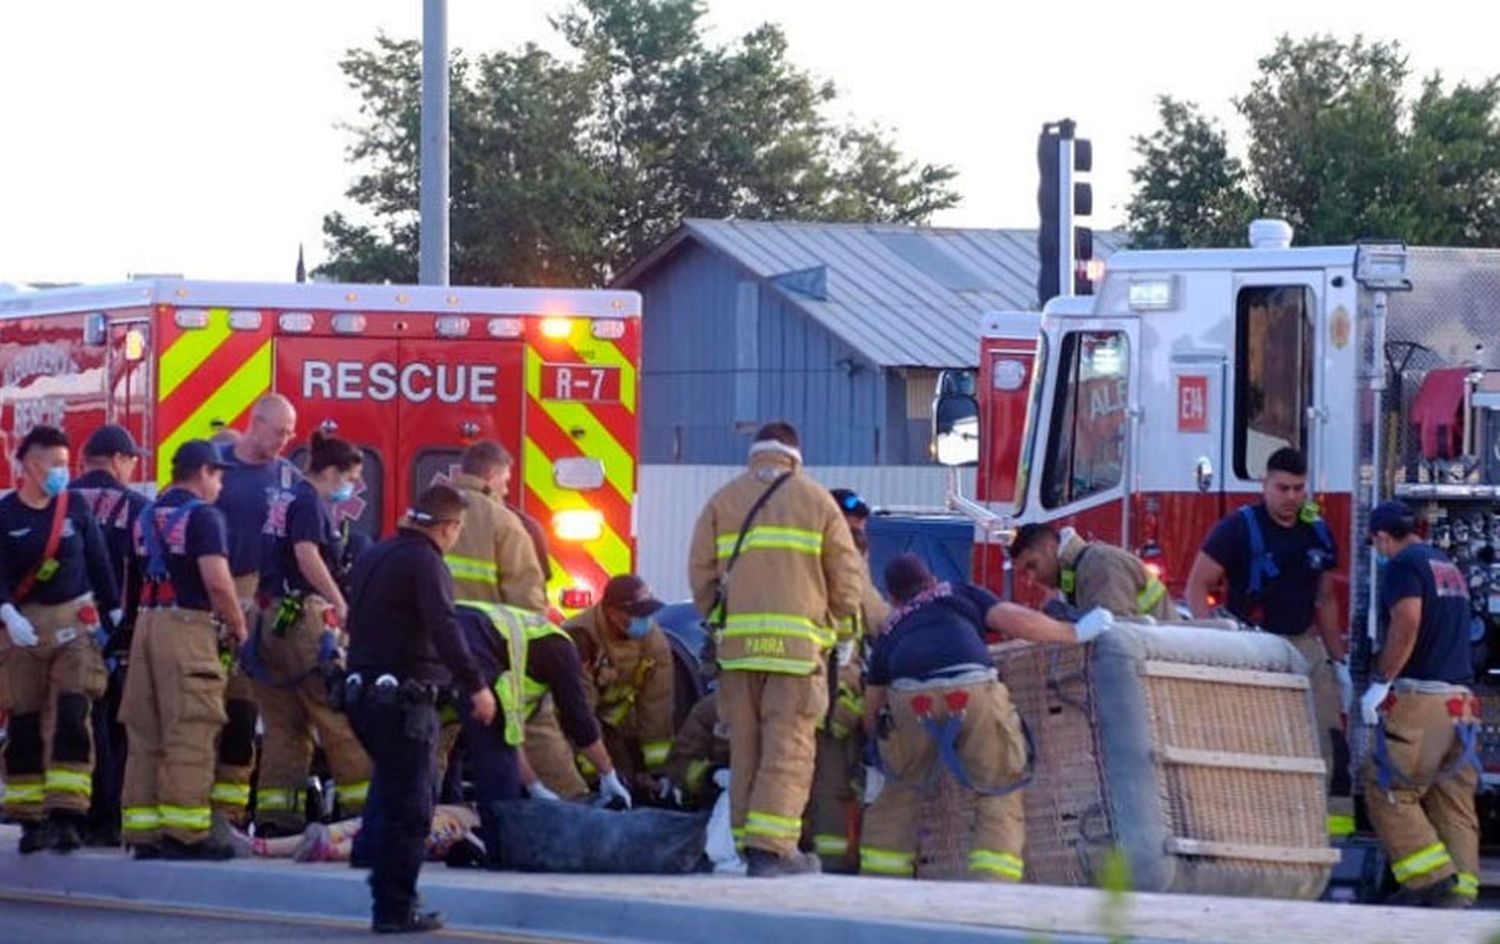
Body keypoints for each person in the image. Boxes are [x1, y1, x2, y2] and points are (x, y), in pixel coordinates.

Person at [858, 554, 1109, 881]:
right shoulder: (955, 593)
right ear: (932, 580)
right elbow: (1014, 619)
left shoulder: (891, 626)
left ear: (893, 597)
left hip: (910, 699)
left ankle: (879, 881)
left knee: (900, 791)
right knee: (997, 786)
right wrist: (1073, 632)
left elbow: (872, 703)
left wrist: (877, 748)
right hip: (971, 688)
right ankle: (993, 884)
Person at [688, 421, 865, 877]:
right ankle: (773, 850)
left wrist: (720, 623)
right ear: (795, 453)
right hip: (795, 654)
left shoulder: (722, 500)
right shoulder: (816, 500)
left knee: (745, 748)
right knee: (787, 748)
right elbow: (847, 581)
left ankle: (750, 846)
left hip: (738, 653)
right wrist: (838, 629)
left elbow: (701, 574)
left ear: (756, 452)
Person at [343, 485, 497, 934]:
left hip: (364, 696)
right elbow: (444, 626)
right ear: (447, 526)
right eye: (457, 530)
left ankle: (383, 884)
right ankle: (395, 909)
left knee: (392, 795)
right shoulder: (424, 561)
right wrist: (476, 685)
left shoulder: (377, 555)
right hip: (405, 702)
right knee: (412, 808)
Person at [1184, 447, 1354, 837]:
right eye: (1283, 488)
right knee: (1255, 742)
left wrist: (1338, 662)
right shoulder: (1237, 529)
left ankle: (1336, 840)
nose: (1292, 497)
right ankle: (1251, 830)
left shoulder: (1317, 531)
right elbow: (1198, 587)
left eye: (1299, 488)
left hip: (1306, 648)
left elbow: (1325, 600)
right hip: (1253, 647)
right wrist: (1214, 644)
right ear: (1264, 485)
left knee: (1331, 742)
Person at [119, 439, 246, 860]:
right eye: (219, 475)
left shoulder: (145, 515)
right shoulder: (205, 517)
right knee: (191, 725)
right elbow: (216, 581)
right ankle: (186, 832)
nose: (221, 485)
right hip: (187, 626)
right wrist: (238, 626)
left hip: (147, 624)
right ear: (203, 473)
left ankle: (143, 831)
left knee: (146, 729)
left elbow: (133, 579)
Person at [0, 424, 121, 853]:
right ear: (31, 467)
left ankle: (68, 813)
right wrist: (7, 612)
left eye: (66, 465)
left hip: (75, 626)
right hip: (24, 632)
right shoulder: (6, 516)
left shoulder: (75, 510)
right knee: (26, 722)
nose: (62, 474)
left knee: (73, 713)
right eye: (55, 465)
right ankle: (31, 818)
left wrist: (115, 610)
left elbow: (99, 561)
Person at [249, 430, 372, 835]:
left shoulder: (283, 499)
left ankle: (276, 817)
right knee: (336, 716)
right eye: (351, 478)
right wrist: (338, 600)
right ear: (332, 472)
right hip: (303, 620)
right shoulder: (307, 502)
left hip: (270, 620)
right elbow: (307, 554)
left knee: (284, 725)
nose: (353, 487)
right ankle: (362, 814)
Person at [1362, 501, 1481, 908]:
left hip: (1423, 703)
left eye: (1375, 544)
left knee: (1388, 787)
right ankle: (1461, 893)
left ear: (1381, 537)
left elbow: (1407, 621)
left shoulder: (1402, 566)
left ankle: (1430, 880)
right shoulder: (1445, 566)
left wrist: (1381, 682)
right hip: (1461, 704)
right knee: (1452, 799)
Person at [452, 601, 631, 834]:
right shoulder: (563, 650)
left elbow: (510, 733)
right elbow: (579, 721)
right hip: (470, 633)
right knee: (496, 771)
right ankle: (499, 846)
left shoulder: (526, 663)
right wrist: (609, 775)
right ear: (585, 664)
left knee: (439, 742)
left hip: (450, 622)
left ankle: (443, 822)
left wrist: (534, 786)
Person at [211, 393, 300, 825]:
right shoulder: (215, 467)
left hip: (260, 596)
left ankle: (229, 811)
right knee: (201, 706)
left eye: (291, 432)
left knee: (243, 708)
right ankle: (192, 802)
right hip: (212, 591)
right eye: (280, 431)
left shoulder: (288, 477)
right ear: (255, 422)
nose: (286, 440)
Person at [71, 423, 150, 846]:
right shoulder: (137, 507)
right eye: (131, 459)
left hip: (58, 627)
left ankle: (70, 814)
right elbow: (144, 572)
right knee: (117, 724)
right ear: (118, 460)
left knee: (70, 723)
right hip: (116, 632)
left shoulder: (60, 501)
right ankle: (109, 816)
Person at [804, 488, 890, 871]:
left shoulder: (795, 556)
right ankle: (831, 866)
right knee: (832, 787)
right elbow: (878, 621)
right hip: (830, 698)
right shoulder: (842, 562)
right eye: (852, 529)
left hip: (794, 692)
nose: (859, 537)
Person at [563, 575, 674, 797]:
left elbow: (657, 707)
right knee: (584, 785)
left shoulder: (654, 642)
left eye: (648, 613)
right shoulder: (579, 637)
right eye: (638, 613)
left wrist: (658, 772)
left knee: (631, 783)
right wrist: (600, 774)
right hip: (572, 725)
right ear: (613, 613)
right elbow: (578, 711)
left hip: (616, 722)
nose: (646, 620)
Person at [1008, 523, 1177, 622]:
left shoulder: (1099, 563)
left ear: (1049, 547)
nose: (1031, 579)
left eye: (1032, 566)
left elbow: (1117, 634)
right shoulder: (1076, 572)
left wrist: (1069, 617)